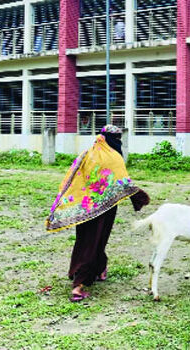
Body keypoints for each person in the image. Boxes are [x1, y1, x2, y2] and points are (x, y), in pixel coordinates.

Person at [46, 125, 150, 302]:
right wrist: (138, 195)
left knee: (87, 240)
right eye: (118, 139)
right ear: (113, 139)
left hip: (85, 209)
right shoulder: (113, 157)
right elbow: (122, 182)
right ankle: (78, 285)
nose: (119, 143)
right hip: (105, 210)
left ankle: (99, 268)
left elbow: (73, 178)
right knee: (94, 242)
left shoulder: (87, 153)